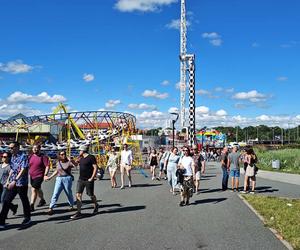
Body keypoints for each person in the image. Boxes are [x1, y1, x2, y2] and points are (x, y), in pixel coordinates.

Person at [0, 142, 31, 229]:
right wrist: (8, 180)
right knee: (6, 201)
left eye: (12, 147)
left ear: (17, 147)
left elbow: (23, 169)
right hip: (13, 182)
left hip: (21, 183)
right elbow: (12, 170)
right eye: (9, 148)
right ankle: (1, 221)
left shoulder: (23, 156)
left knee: (24, 200)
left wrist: (15, 180)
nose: (10, 149)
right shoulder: (13, 157)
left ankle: (27, 217)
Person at [71, 145, 99, 219]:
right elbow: (76, 164)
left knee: (90, 194)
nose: (78, 152)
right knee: (78, 194)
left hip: (88, 179)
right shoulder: (80, 158)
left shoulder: (91, 157)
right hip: (81, 179)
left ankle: (96, 204)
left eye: (79, 150)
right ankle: (79, 212)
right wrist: (72, 161)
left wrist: (92, 177)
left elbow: (95, 167)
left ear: (83, 151)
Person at [45, 151, 76, 215]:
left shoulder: (69, 162)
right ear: (59, 155)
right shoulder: (58, 162)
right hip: (59, 178)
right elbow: (57, 171)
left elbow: (76, 165)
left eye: (64, 154)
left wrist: (72, 160)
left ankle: (71, 205)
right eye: (61, 154)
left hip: (67, 178)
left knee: (68, 193)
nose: (63, 155)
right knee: (55, 193)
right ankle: (51, 208)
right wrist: (50, 177)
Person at [29, 144, 50, 211]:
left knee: (34, 189)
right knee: (38, 189)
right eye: (34, 148)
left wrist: (45, 174)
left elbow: (47, 166)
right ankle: (42, 200)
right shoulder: (30, 156)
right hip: (32, 176)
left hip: (39, 175)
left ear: (39, 149)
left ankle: (31, 205)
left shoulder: (43, 157)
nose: (35, 149)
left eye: (36, 148)